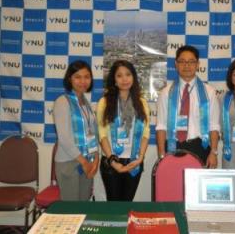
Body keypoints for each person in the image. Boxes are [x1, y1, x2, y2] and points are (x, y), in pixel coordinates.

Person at [156, 45, 220, 167]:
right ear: (176, 64)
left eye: (191, 62)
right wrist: (161, 156)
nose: (187, 65)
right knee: (173, 185)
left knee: (197, 186)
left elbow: (214, 125)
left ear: (197, 64)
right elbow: (161, 126)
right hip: (172, 147)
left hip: (200, 147)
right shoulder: (166, 92)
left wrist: (214, 152)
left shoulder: (209, 92)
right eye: (182, 61)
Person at [97, 60, 150, 201]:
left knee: (127, 203)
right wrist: (113, 161)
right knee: (113, 204)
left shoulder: (142, 103)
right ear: (114, 80)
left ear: (133, 77)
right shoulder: (105, 102)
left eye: (128, 74)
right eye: (119, 75)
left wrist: (140, 158)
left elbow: (146, 133)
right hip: (111, 161)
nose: (124, 79)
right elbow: (102, 135)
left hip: (134, 161)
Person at [53, 60, 99, 201]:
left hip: (87, 160)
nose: (83, 81)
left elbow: (93, 134)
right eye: (77, 77)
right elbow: (65, 139)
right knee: (71, 211)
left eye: (87, 77)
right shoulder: (62, 102)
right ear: (69, 79)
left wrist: (96, 158)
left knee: (83, 206)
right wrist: (84, 163)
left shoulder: (86, 103)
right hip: (69, 162)